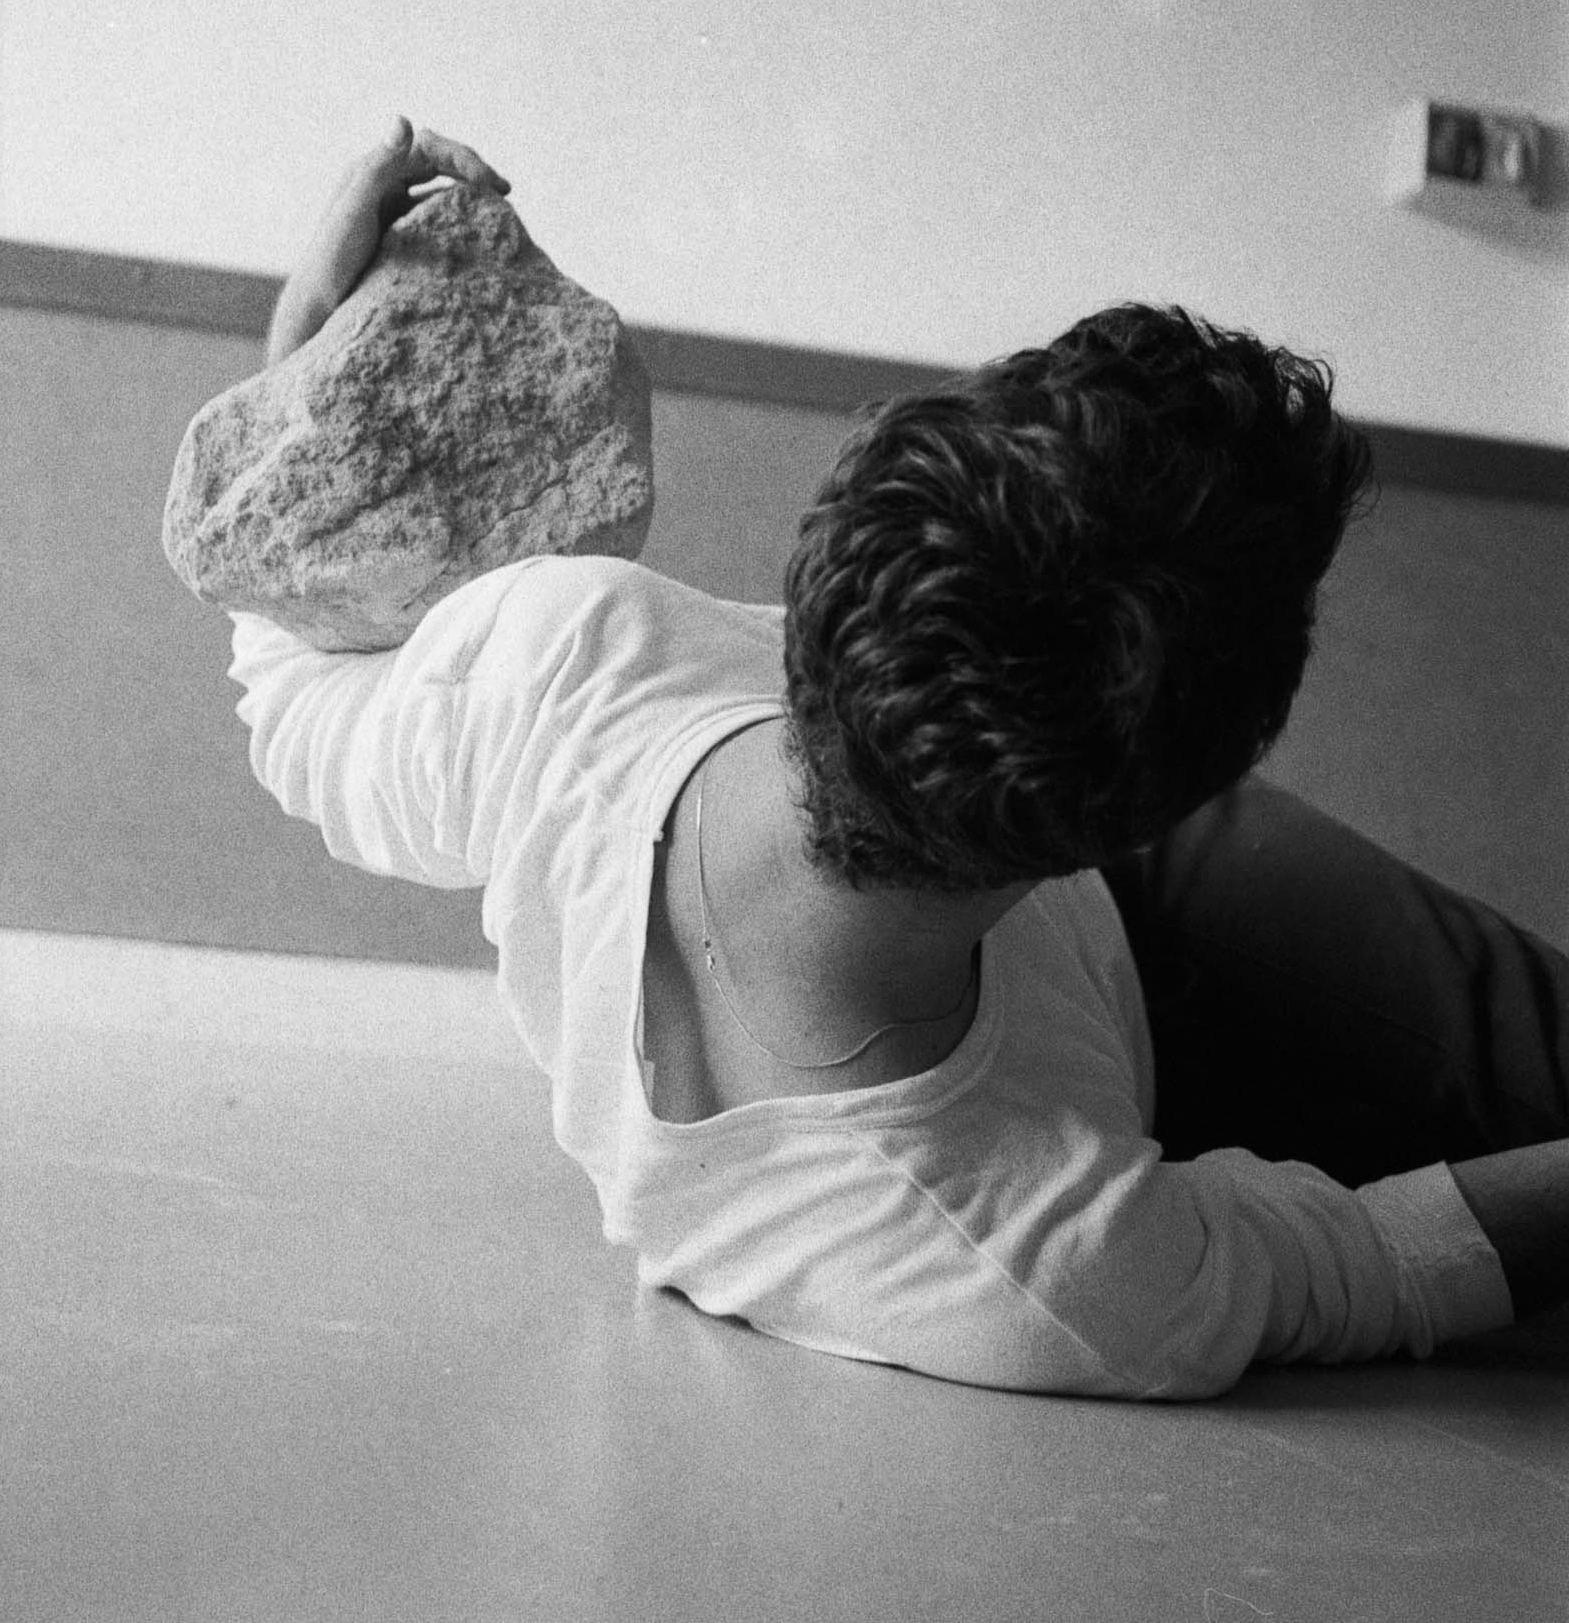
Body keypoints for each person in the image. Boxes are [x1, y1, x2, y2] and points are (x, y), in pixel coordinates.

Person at [231, 118, 1569, 1400]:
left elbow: (293, 686)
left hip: (1074, 853)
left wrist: (308, 385)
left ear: (825, 571)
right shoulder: (1032, 1254)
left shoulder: (557, 655)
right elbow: (1375, 1262)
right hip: (1124, 996)